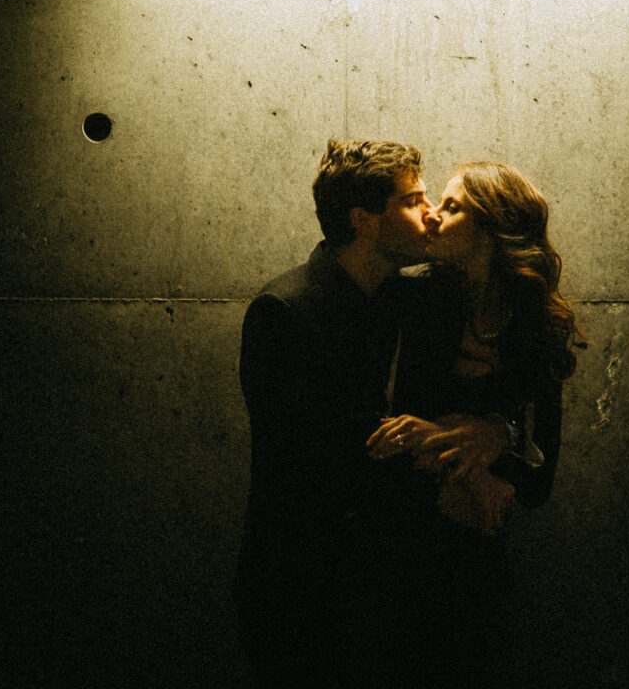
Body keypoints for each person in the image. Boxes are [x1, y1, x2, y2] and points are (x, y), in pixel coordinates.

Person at [366, 161, 579, 686]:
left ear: (491, 228)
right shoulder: (412, 298)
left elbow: (540, 476)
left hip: (478, 552)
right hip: (400, 541)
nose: (433, 215)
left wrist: (497, 445)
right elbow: (380, 427)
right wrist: (460, 467)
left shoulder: (533, 321)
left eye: (453, 206)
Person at [234, 138, 436, 688]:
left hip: (391, 594)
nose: (432, 211)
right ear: (364, 220)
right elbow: (302, 469)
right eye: (414, 199)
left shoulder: (416, 303)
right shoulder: (284, 311)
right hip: (302, 598)